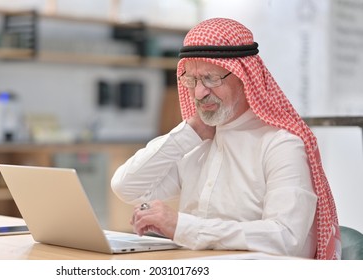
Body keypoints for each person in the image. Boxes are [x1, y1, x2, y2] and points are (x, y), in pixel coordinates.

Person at [111, 18, 341, 259]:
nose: (199, 93)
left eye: (211, 78)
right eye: (192, 80)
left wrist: (183, 227)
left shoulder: (281, 145)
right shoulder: (196, 142)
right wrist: (190, 132)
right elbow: (126, 187)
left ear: (245, 78)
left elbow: (285, 237)